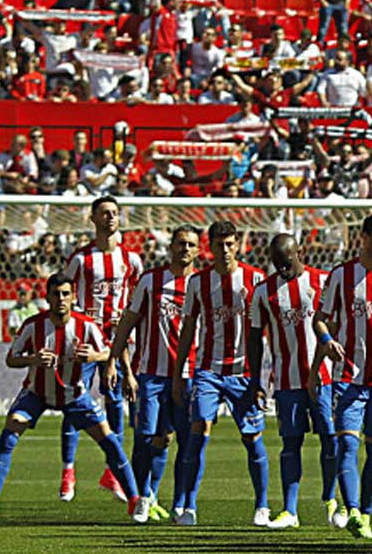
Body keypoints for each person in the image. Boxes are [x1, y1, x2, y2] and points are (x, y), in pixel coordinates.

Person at [0, 275, 140, 521]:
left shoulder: (86, 325)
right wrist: (33, 359)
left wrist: (94, 356)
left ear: (74, 297)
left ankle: (135, 501)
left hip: (74, 395)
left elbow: (110, 351)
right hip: (36, 394)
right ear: (47, 297)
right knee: (9, 432)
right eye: (56, 294)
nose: (61, 299)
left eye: (66, 294)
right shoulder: (33, 325)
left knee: (109, 440)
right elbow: (11, 358)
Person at [170, 221, 269, 527]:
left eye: (230, 244)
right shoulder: (198, 283)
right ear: (208, 247)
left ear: (238, 245)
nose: (225, 251)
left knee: (252, 439)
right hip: (208, 372)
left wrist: (264, 378)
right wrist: (178, 373)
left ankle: (262, 505)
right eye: (218, 245)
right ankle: (188, 506)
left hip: (245, 373)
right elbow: (187, 329)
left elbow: (268, 328)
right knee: (198, 431)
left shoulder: (255, 279)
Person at [312, 212, 372, 539]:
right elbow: (320, 318)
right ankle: (350, 509)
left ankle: (365, 513)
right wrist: (326, 340)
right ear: (364, 238)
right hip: (348, 376)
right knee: (347, 444)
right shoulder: (341, 276)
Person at [248, 234, 344, 531]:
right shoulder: (264, 291)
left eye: (287, 262)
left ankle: (331, 500)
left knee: (331, 437)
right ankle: (290, 510)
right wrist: (256, 379)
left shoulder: (324, 282)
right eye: (277, 264)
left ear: (299, 253)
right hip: (287, 380)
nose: (283, 269)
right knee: (291, 443)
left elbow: (339, 323)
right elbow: (253, 337)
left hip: (325, 378)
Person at [106, 225, 199, 524]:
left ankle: (182, 504)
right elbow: (128, 321)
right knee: (148, 437)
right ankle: (143, 497)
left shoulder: (203, 283)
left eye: (191, 244)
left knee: (183, 439)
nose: (185, 248)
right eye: (180, 243)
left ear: (198, 250)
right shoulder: (150, 281)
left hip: (190, 375)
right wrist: (113, 361)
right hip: (152, 374)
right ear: (171, 246)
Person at [62, 196, 142, 505]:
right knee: (73, 399)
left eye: (114, 213)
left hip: (115, 342)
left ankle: (112, 473)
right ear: (92, 219)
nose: (110, 218)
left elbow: (132, 295)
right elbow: (64, 293)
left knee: (115, 399)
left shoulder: (131, 259)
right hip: (83, 341)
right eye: (104, 213)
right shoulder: (81, 260)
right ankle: (68, 470)